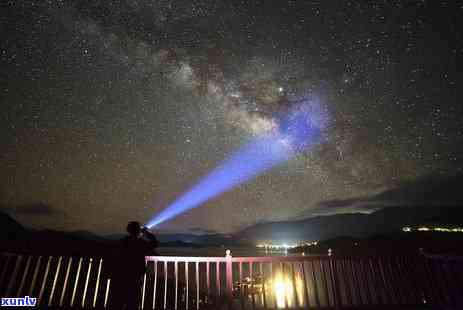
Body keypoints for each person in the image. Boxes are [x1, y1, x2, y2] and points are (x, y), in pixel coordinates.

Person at [108, 221, 159, 310]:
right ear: (139, 231)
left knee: (117, 302)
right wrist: (147, 233)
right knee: (132, 303)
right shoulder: (140, 243)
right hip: (134, 277)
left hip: (119, 276)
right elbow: (155, 243)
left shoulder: (121, 242)